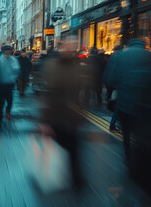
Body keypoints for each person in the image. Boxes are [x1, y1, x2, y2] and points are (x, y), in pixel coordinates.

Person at [37, 37, 86, 190]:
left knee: (74, 148)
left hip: (71, 116)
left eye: (74, 46)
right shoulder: (51, 65)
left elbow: (82, 89)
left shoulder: (77, 65)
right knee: (57, 147)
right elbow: (46, 94)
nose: (72, 48)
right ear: (62, 46)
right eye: (69, 45)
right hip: (55, 115)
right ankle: (53, 174)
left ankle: (76, 179)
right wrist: (44, 121)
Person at [103, 38, 151, 162]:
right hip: (145, 103)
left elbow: (110, 80)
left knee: (126, 133)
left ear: (128, 45)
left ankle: (129, 159)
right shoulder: (150, 56)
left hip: (125, 102)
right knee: (142, 135)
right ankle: (142, 161)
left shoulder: (120, 56)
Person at [0, 45, 20, 129]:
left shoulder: (13, 60)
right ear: (4, 51)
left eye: (9, 50)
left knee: (9, 100)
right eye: (6, 50)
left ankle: (8, 111)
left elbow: (16, 70)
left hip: (9, 84)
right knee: (0, 101)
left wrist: (13, 79)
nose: (7, 52)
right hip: (1, 84)